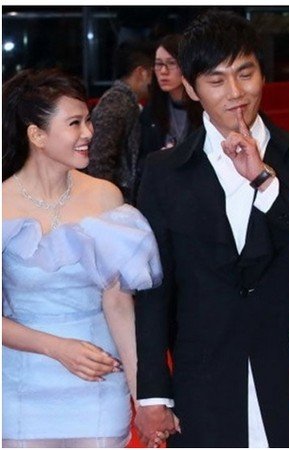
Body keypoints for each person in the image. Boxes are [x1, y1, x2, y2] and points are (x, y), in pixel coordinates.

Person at [134, 10, 289, 448]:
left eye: (246, 73)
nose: (236, 92)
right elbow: (154, 289)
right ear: (191, 88)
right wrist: (152, 393)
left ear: (263, 73)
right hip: (202, 377)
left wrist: (263, 180)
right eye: (216, 80)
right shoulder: (164, 173)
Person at [2, 68, 162, 447]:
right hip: (22, 388)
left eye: (88, 120)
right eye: (74, 123)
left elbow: (119, 305)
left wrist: (145, 398)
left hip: (100, 383)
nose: (89, 132)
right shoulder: (3, 205)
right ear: (37, 135)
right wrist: (57, 348)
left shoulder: (105, 197)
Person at [86, 40, 154, 204]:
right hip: (114, 201)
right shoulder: (117, 101)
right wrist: (109, 203)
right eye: (153, 73)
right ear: (141, 73)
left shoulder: (126, 100)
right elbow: (100, 158)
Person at [137, 34, 203, 191]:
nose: (163, 71)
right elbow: (141, 160)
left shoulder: (204, 107)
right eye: (158, 64)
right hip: (163, 186)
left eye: (171, 63)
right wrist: (159, 159)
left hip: (195, 185)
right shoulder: (151, 110)